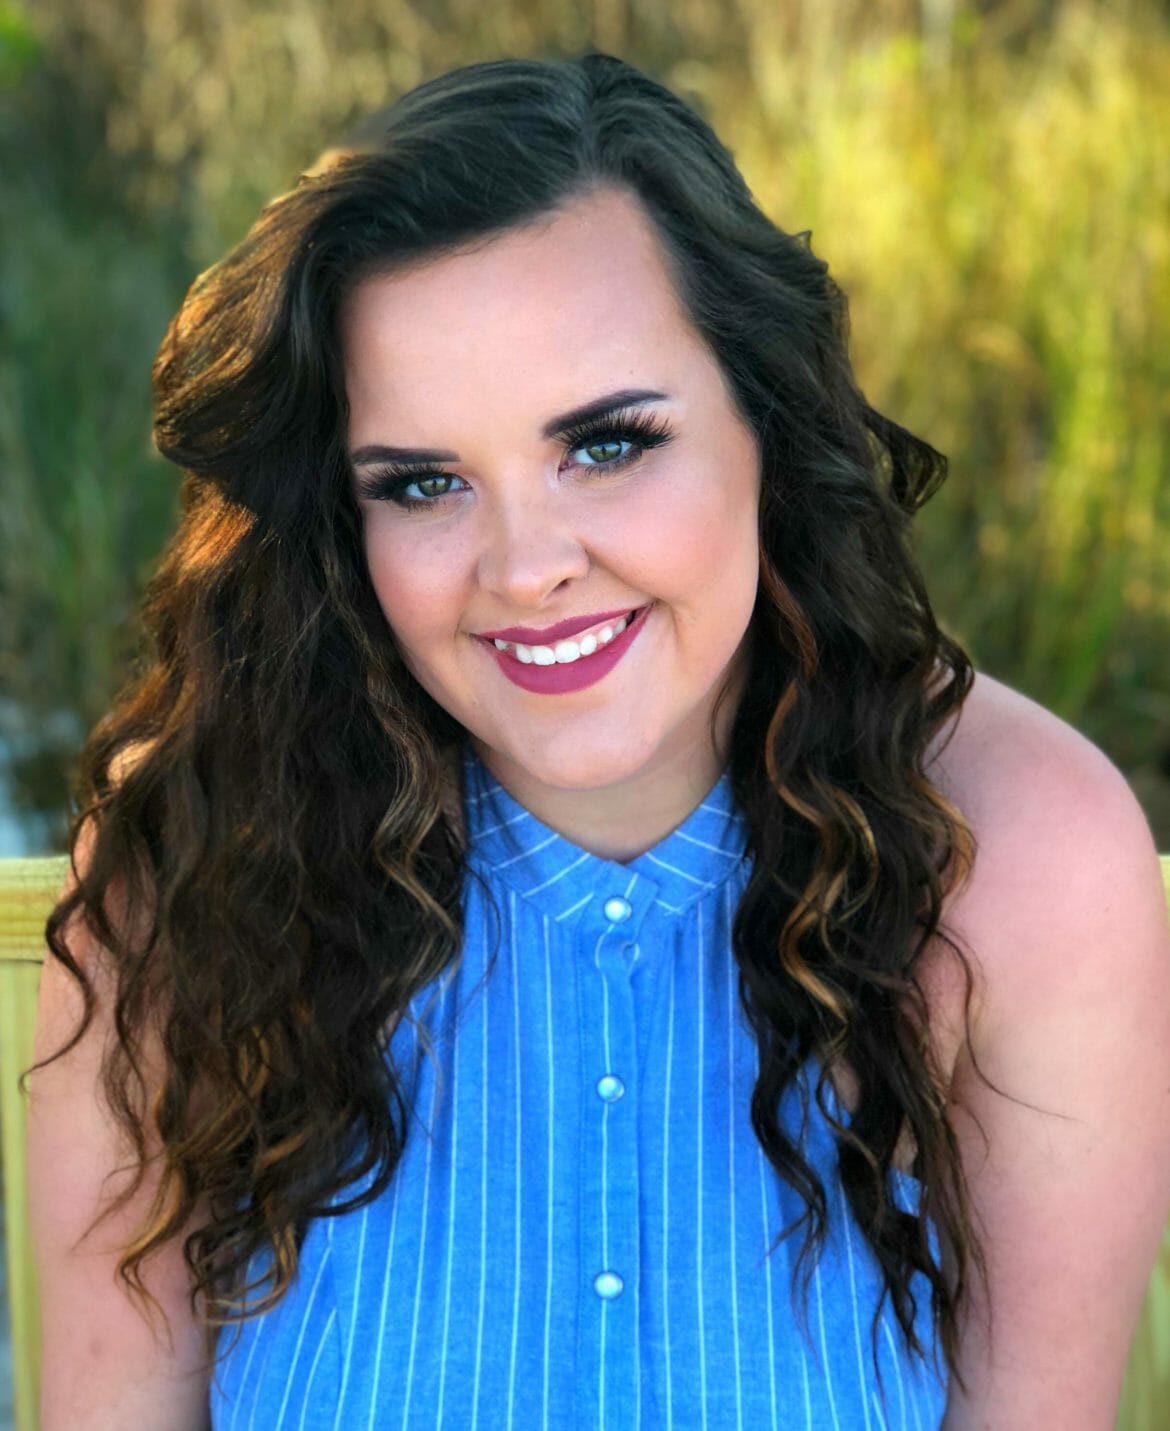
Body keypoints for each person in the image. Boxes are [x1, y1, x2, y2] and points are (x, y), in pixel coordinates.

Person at [26, 51, 1170, 1431]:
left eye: (608, 445)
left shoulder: (1024, 859)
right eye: (424, 483)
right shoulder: (192, 860)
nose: (525, 569)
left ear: (767, 418)